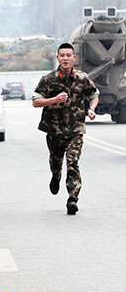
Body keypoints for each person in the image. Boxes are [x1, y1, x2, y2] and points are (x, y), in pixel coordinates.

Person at [32, 42, 99, 215]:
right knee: (56, 162)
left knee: (72, 162)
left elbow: (94, 95)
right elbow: (35, 102)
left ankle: (72, 198)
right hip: (54, 130)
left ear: (73, 57)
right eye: (62, 55)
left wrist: (91, 110)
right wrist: (53, 100)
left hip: (75, 129)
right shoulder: (48, 79)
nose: (65, 58)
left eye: (69, 55)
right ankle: (56, 176)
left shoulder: (82, 79)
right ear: (58, 58)